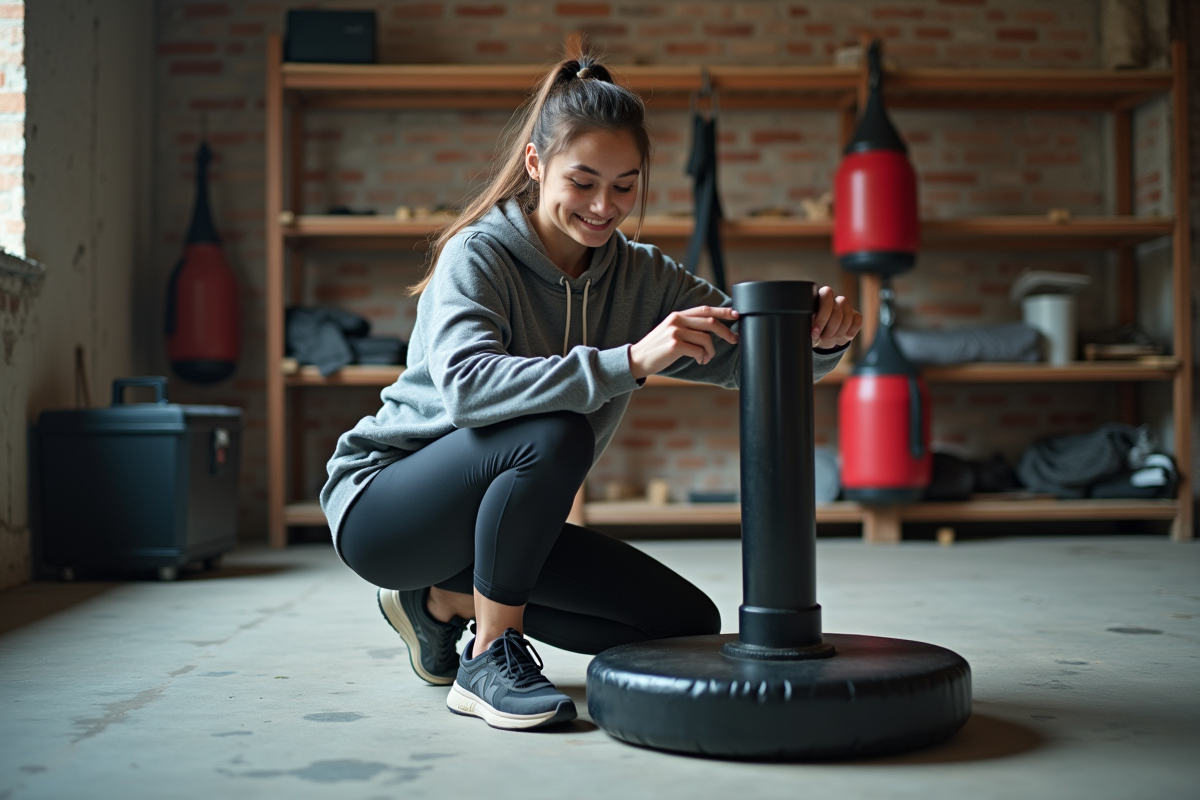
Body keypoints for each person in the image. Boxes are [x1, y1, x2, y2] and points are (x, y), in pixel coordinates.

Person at [320, 52, 861, 732]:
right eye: (583, 182)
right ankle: (487, 659)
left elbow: (746, 361)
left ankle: (441, 603)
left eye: (625, 186)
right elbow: (467, 389)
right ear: (535, 164)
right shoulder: (478, 254)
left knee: (683, 627)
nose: (605, 207)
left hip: (501, 526)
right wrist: (630, 359)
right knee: (555, 430)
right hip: (388, 513)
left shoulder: (642, 278)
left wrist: (814, 341)